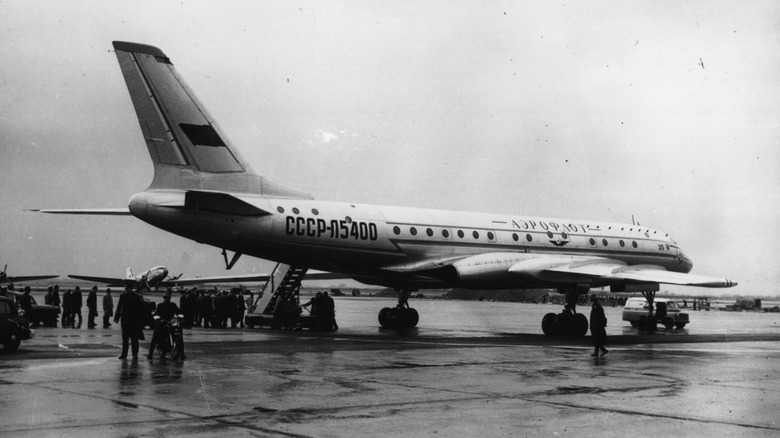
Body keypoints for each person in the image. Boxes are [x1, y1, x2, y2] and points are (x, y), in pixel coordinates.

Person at [114, 286, 146, 359]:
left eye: (128, 288)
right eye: (126, 288)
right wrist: (117, 318)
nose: (127, 290)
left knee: (134, 339)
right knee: (125, 339)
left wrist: (140, 320)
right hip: (125, 321)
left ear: (130, 289)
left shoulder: (136, 297)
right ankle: (124, 354)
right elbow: (119, 307)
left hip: (133, 321)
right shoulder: (123, 296)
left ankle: (135, 355)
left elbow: (140, 308)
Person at [148, 291, 180, 359]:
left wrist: (179, 317)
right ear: (164, 298)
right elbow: (156, 314)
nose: (167, 299)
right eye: (166, 298)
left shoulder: (173, 305)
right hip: (162, 323)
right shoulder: (160, 305)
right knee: (155, 337)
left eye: (168, 298)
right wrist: (158, 319)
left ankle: (180, 352)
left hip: (170, 322)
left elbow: (178, 312)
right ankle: (150, 354)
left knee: (177, 333)